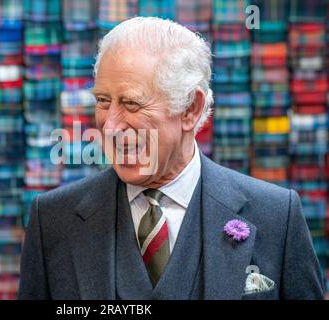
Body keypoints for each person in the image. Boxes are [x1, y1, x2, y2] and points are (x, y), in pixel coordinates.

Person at [18, 17, 324, 300]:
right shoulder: (53, 220)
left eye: (131, 103)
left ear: (190, 109)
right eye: (102, 101)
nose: (109, 126)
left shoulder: (276, 217)